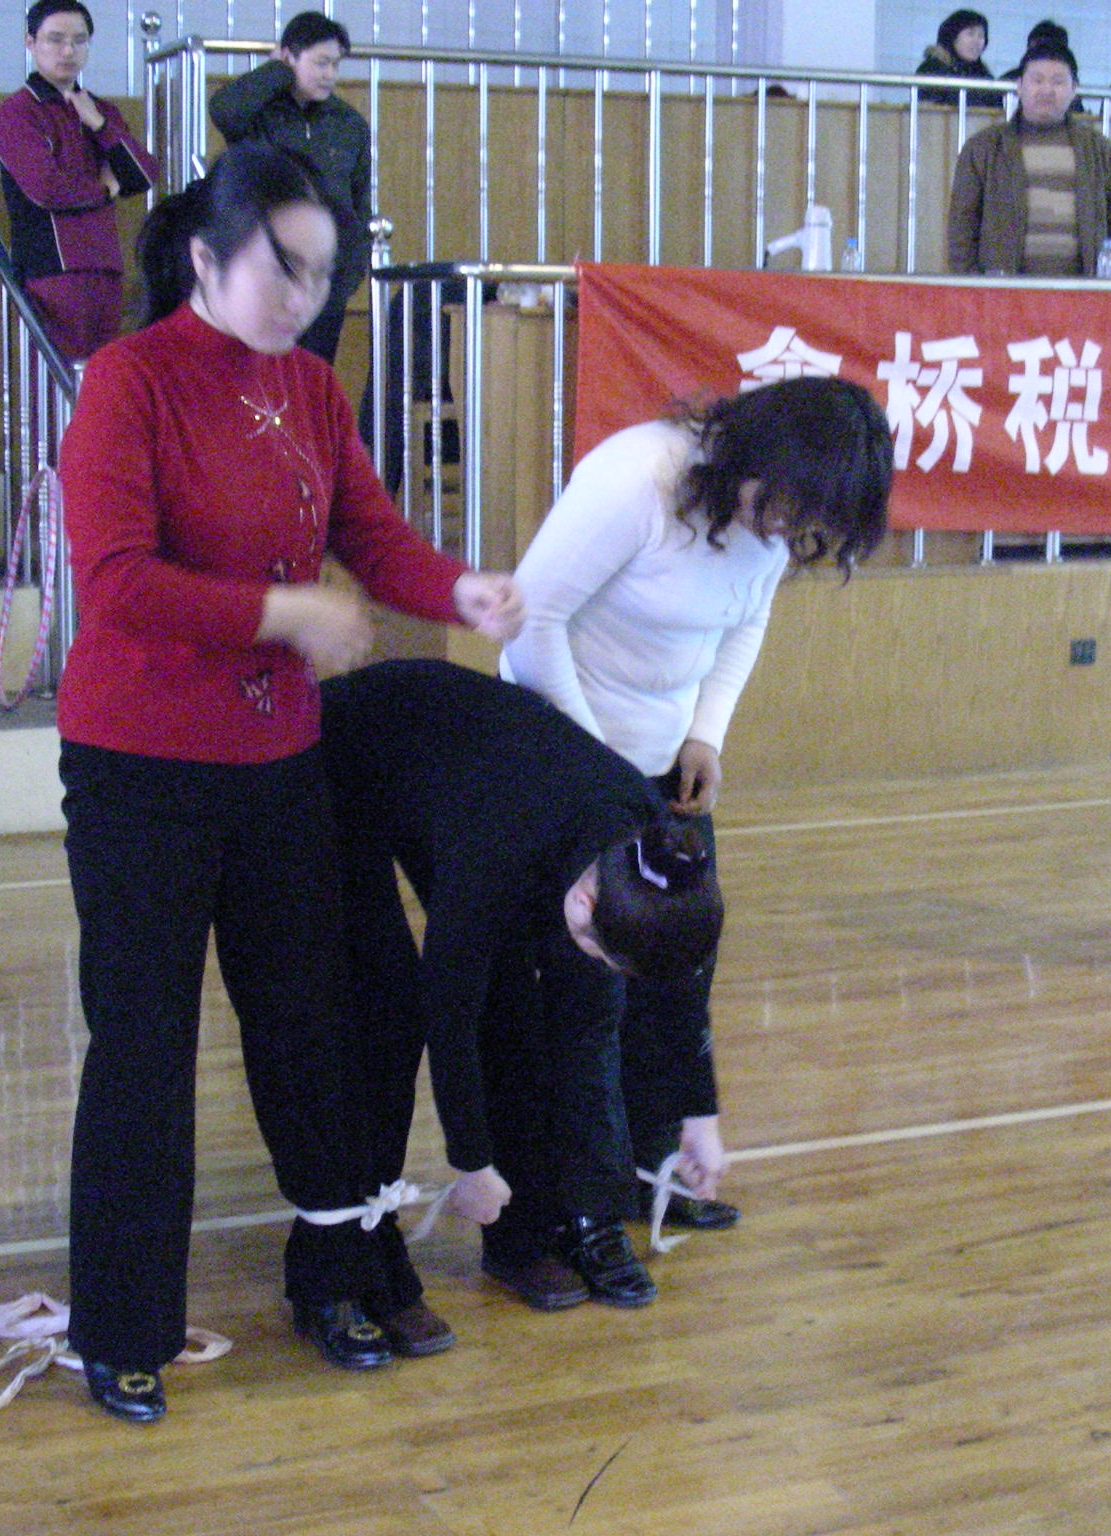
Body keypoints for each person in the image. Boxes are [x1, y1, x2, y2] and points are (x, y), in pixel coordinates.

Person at [54, 142, 523, 1422]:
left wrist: (458, 590)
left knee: (311, 1030)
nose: (306, 295)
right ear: (207, 257)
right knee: (142, 1046)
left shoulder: (311, 388)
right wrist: (286, 616)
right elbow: (118, 583)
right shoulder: (128, 381)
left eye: (324, 273)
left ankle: (333, 1273)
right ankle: (123, 1325)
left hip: (275, 766)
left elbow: (367, 531)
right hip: (139, 769)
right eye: (285, 267)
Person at [499, 377, 891, 1236]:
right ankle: (568, 1212)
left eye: (813, 521)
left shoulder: (773, 522)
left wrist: (705, 734)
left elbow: (744, 622)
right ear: (755, 454)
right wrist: (593, 762)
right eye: (788, 505)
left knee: (674, 974)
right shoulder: (639, 477)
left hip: (657, 766)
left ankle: (651, 1173)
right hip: (560, 751)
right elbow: (530, 619)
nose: (789, 530)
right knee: (585, 995)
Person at [321, 659, 725, 1320]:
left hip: (463, 779)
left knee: (528, 1010)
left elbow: (678, 987)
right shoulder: (498, 849)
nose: (595, 960)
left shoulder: (647, 839)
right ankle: (356, 1252)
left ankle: (521, 1235)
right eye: (597, 945)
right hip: (343, 760)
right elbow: (448, 1010)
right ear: (587, 897)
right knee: (388, 1008)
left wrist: (698, 1118)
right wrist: (470, 1164)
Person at [0, 0, 159, 363]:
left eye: (79, 40)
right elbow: (47, 188)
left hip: (105, 266)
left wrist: (99, 124)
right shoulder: (18, 111)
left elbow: (144, 175)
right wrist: (105, 188)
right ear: (31, 43)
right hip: (50, 270)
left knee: (101, 378)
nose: (68, 51)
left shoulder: (101, 109)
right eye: (55, 39)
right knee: (59, 380)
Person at [209, 12, 371, 364]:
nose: (330, 74)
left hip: (326, 275)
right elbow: (223, 110)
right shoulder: (260, 114)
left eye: (335, 65)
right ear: (288, 57)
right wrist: (276, 72)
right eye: (321, 63)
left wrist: (350, 271)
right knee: (260, 368)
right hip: (268, 264)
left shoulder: (349, 124)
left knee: (313, 370)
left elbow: (359, 202)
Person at [947, 40, 1111, 277]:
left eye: (1058, 81)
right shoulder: (984, 147)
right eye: (1037, 80)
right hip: (1002, 289)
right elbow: (961, 225)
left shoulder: (1098, 149)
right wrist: (973, 284)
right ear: (1019, 86)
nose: (1047, 90)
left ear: (1074, 89)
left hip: (1082, 288)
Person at [918, 9, 1003, 111]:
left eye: (981, 35)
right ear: (952, 37)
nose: (976, 41)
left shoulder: (984, 75)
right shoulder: (932, 69)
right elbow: (928, 113)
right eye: (970, 34)